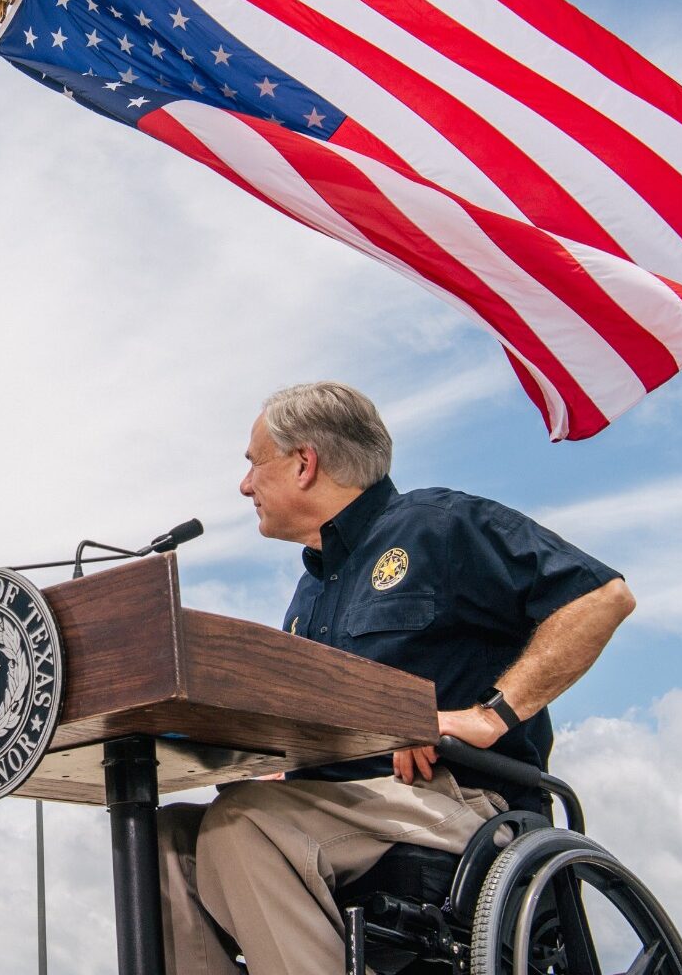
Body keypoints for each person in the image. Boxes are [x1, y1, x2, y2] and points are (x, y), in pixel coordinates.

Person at [159, 383, 634, 975]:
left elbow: (600, 598)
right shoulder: (311, 590)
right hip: (340, 803)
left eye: (254, 464)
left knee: (240, 823)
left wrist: (489, 716)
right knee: (165, 839)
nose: (245, 485)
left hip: (457, 800)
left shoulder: (440, 525)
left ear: (305, 463)